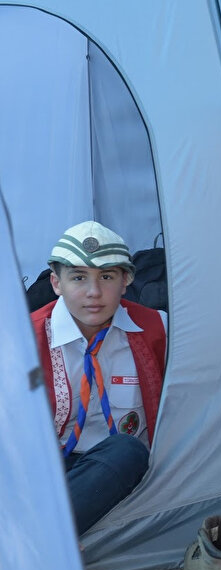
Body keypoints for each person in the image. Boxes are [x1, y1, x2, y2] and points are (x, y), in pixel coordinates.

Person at [31, 221, 166, 536]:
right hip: (48, 467)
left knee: (128, 450)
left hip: (114, 465)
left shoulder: (159, 328)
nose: (93, 293)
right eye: (78, 277)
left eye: (106, 277)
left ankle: (45, 537)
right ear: (56, 283)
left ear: (126, 280)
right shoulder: (24, 338)